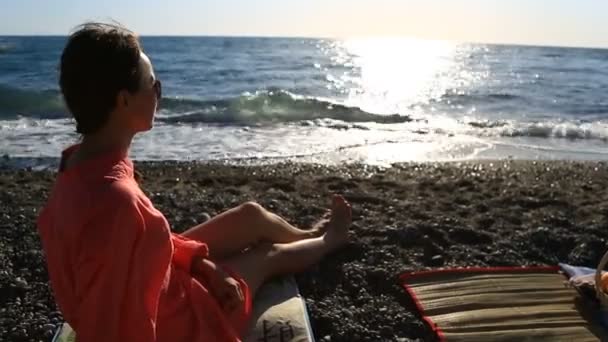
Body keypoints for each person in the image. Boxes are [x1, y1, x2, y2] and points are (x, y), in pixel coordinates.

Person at [37, 22, 352, 342]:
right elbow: (122, 323)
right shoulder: (118, 201)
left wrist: (203, 265)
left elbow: (135, 247)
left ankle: (309, 234)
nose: (159, 93)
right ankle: (330, 240)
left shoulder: (80, 164)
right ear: (124, 101)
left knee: (251, 215)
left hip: (164, 280)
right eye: (152, 85)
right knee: (268, 255)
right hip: (183, 320)